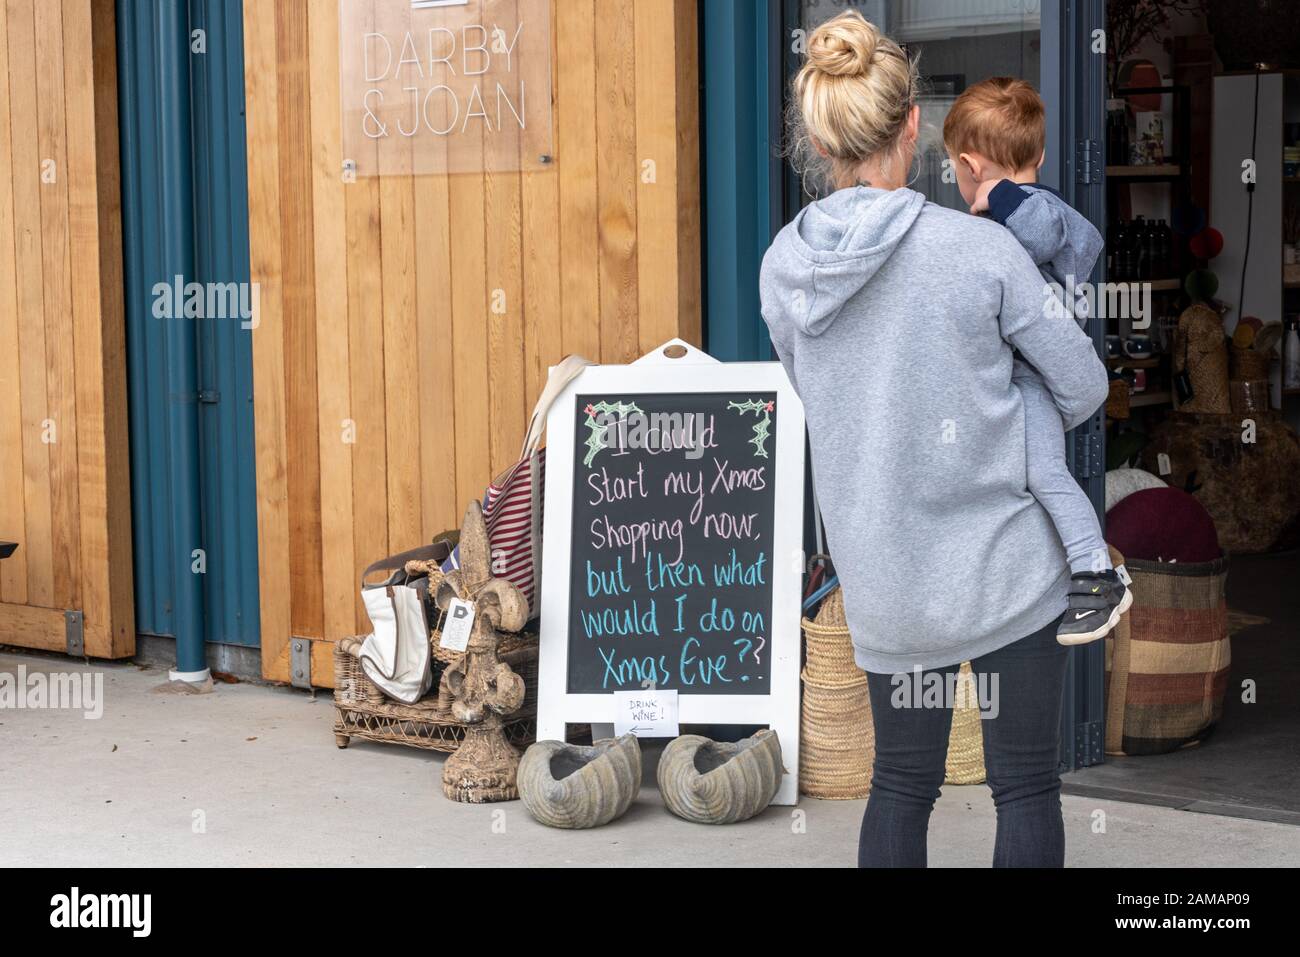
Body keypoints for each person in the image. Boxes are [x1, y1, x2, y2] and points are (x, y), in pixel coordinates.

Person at [759, 11, 1109, 867]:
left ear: (820, 136)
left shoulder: (781, 269)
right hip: (1005, 575)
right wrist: (1006, 401)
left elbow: (836, 400)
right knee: (1024, 786)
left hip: (886, 584)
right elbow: (1085, 383)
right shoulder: (979, 251)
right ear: (914, 126)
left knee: (901, 786)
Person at [945, 76, 1131, 644]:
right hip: (1019, 376)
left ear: (970, 164)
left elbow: (1046, 230)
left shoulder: (1031, 210)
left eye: (955, 167)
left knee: (1045, 474)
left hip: (1034, 379)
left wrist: (996, 196)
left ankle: (1096, 573)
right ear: (1042, 153)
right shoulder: (1015, 216)